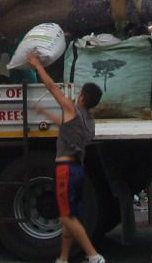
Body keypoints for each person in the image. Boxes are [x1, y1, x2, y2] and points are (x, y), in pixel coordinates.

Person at [27, 51, 105, 263]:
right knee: (69, 216)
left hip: (65, 170)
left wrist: (37, 65)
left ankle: (93, 255)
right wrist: (46, 114)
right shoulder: (89, 120)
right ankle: (63, 258)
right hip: (78, 170)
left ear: (81, 97)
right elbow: (66, 126)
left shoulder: (72, 109)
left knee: (65, 216)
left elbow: (52, 87)